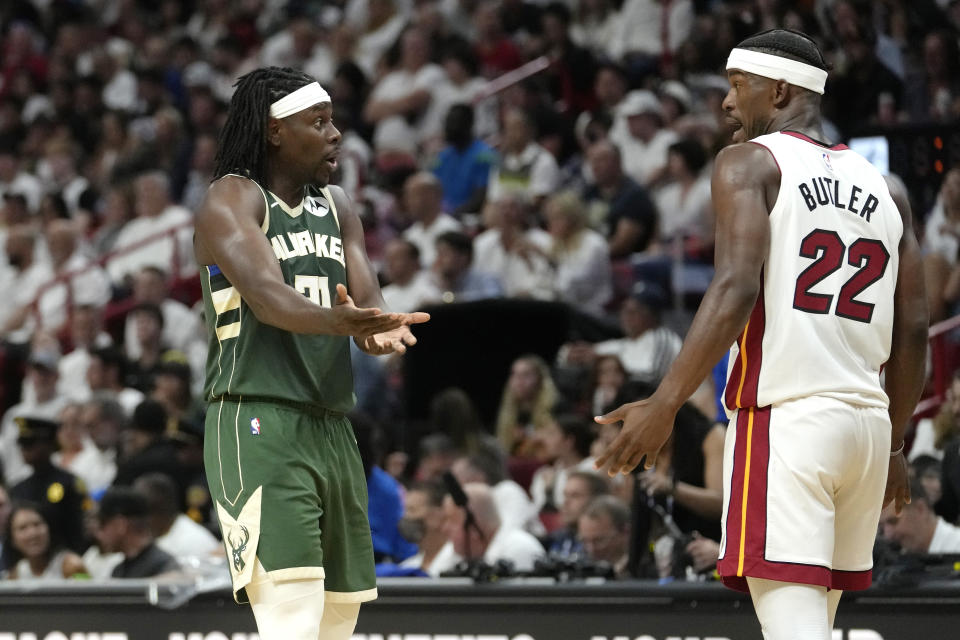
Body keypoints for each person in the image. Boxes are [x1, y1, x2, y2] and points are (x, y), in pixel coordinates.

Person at [595, 29, 928, 640]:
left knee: (795, 630)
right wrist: (898, 445)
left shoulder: (750, 161)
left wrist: (664, 403)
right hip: (868, 428)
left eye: (735, 85)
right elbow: (913, 331)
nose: (726, 103)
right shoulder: (892, 189)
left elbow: (734, 289)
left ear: (777, 90)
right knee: (814, 626)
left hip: (791, 421)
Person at [193, 67, 428, 640]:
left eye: (333, 121)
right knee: (290, 617)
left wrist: (378, 331)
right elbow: (270, 299)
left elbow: (366, 304)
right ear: (274, 131)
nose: (335, 135)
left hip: (330, 422)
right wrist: (339, 322)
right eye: (316, 122)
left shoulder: (338, 204)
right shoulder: (233, 195)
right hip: (256, 417)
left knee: (337, 618)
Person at [9, 416, 89, 554]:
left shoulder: (70, 483)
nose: (24, 450)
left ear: (49, 444)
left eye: (30, 443)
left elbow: (80, 528)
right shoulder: (18, 488)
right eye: (22, 444)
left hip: (65, 556)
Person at [441, 482, 545, 573]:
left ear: (474, 526)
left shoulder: (517, 548)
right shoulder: (465, 558)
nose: (445, 529)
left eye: (453, 521)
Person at [95, 486, 180, 579]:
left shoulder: (165, 568)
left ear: (120, 525)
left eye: (102, 524)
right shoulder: (118, 571)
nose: (98, 534)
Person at [2, 501, 87, 580]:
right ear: (12, 539)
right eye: (23, 528)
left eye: (37, 524)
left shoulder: (74, 566)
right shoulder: (16, 574)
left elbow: (88, 594)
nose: (32, 534)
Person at [397, 480, 461, 577]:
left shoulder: (458, 561)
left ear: (438, 513)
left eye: (412, 510)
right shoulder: (406, 567)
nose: (406, 516)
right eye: (405, 510)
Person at [880, 482, 960, 555]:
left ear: (920, 509)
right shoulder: (900, 555)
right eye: (881, 527)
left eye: (893, 521)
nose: (888, 535)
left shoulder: (956, 546)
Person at [577, 495, 631, 578]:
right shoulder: (580, 570)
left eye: (599, 541)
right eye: (585, 541)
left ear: (625, 532)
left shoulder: (645, 567)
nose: (591, 549)